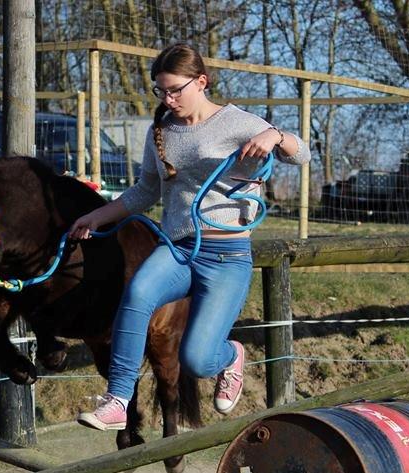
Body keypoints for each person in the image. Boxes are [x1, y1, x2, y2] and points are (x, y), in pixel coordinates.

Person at [69, 43, 310, 431]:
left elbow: (302, 155)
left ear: (202, 82)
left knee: (197, 360)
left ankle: (230, 357)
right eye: (160, 91)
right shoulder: (162, 131)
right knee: (136, 296)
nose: (168, 98)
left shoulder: (236, 122)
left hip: (227, 256)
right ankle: (117, 400)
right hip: (179, 249)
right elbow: (145, 191)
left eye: (175, 89)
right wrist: (96, 216)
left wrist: (275, 135)